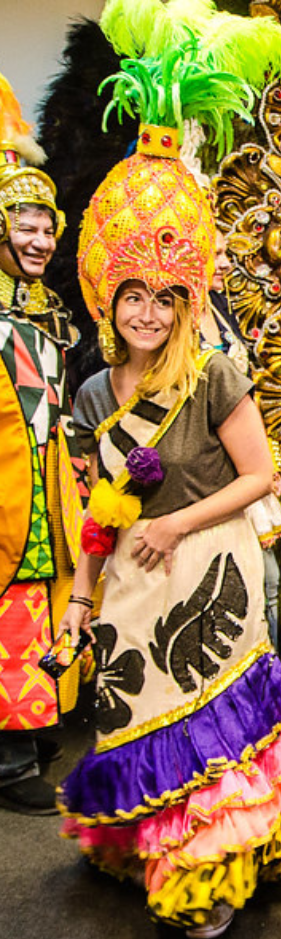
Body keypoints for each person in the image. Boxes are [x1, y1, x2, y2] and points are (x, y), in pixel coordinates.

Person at [55, 22, 281, 939]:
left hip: (207, 563)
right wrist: (79, 599)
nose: (145, 311)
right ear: (110, 297)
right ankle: (150, 844)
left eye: (162, 297)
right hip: (130, 581)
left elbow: (261, 477)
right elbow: (95, 514)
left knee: (211, 726)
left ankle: (208, 871)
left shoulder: (213, 372)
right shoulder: (96, 387)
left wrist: (179, 526)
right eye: (129, 293)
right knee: (140, 719)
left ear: (186, 301)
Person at [0, 73, 83, 815]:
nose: (38, 239)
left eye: (46, 227)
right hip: (2, 492)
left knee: (37, 605)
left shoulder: (49, 310)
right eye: (23, 225)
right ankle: (8, 759)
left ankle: (27, 729)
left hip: (45, 487)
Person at [199, 229, 281, 646]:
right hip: (210, 472)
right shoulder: (174, 323)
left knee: (268, 581)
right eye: (214, 254)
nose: (224, 263)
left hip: (246, 463)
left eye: (224, 253)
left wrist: (266, 458)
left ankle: (271, 689)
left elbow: (246, 392)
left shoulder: (220, 309)